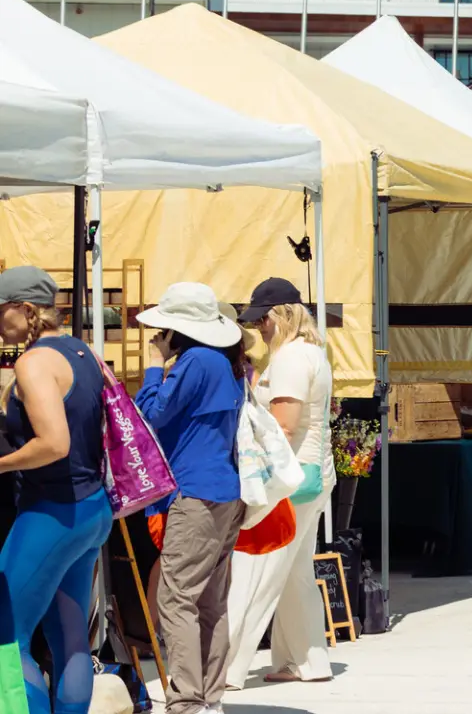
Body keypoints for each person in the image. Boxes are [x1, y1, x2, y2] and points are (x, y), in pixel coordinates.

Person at [133, 282, 249, 714]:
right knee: (210, 601)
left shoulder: (197, 361)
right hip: (224, 491)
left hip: (196, 492)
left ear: (175, 330)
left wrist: (153, 368)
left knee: (177, 597)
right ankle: (209, 698)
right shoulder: (226, 363)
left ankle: (186, 700)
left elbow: (151, 414)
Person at [0, 266, 111, 714]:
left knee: (7, 638)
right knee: (71, 640)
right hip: (91, 509)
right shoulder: (83, 352)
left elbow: (54, 443)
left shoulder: (33, 363)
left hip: (52, 513)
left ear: (26, 310)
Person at [224, 278, 334, 688]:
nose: (259, 328)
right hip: (312, 475)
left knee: (256, 570)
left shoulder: (289, 358)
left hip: (288, 480)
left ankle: (226, 667)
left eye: (263, 319)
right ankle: (306, 660)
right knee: (293, 573)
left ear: (283, 315)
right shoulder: (312, 353)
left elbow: (284, 426)